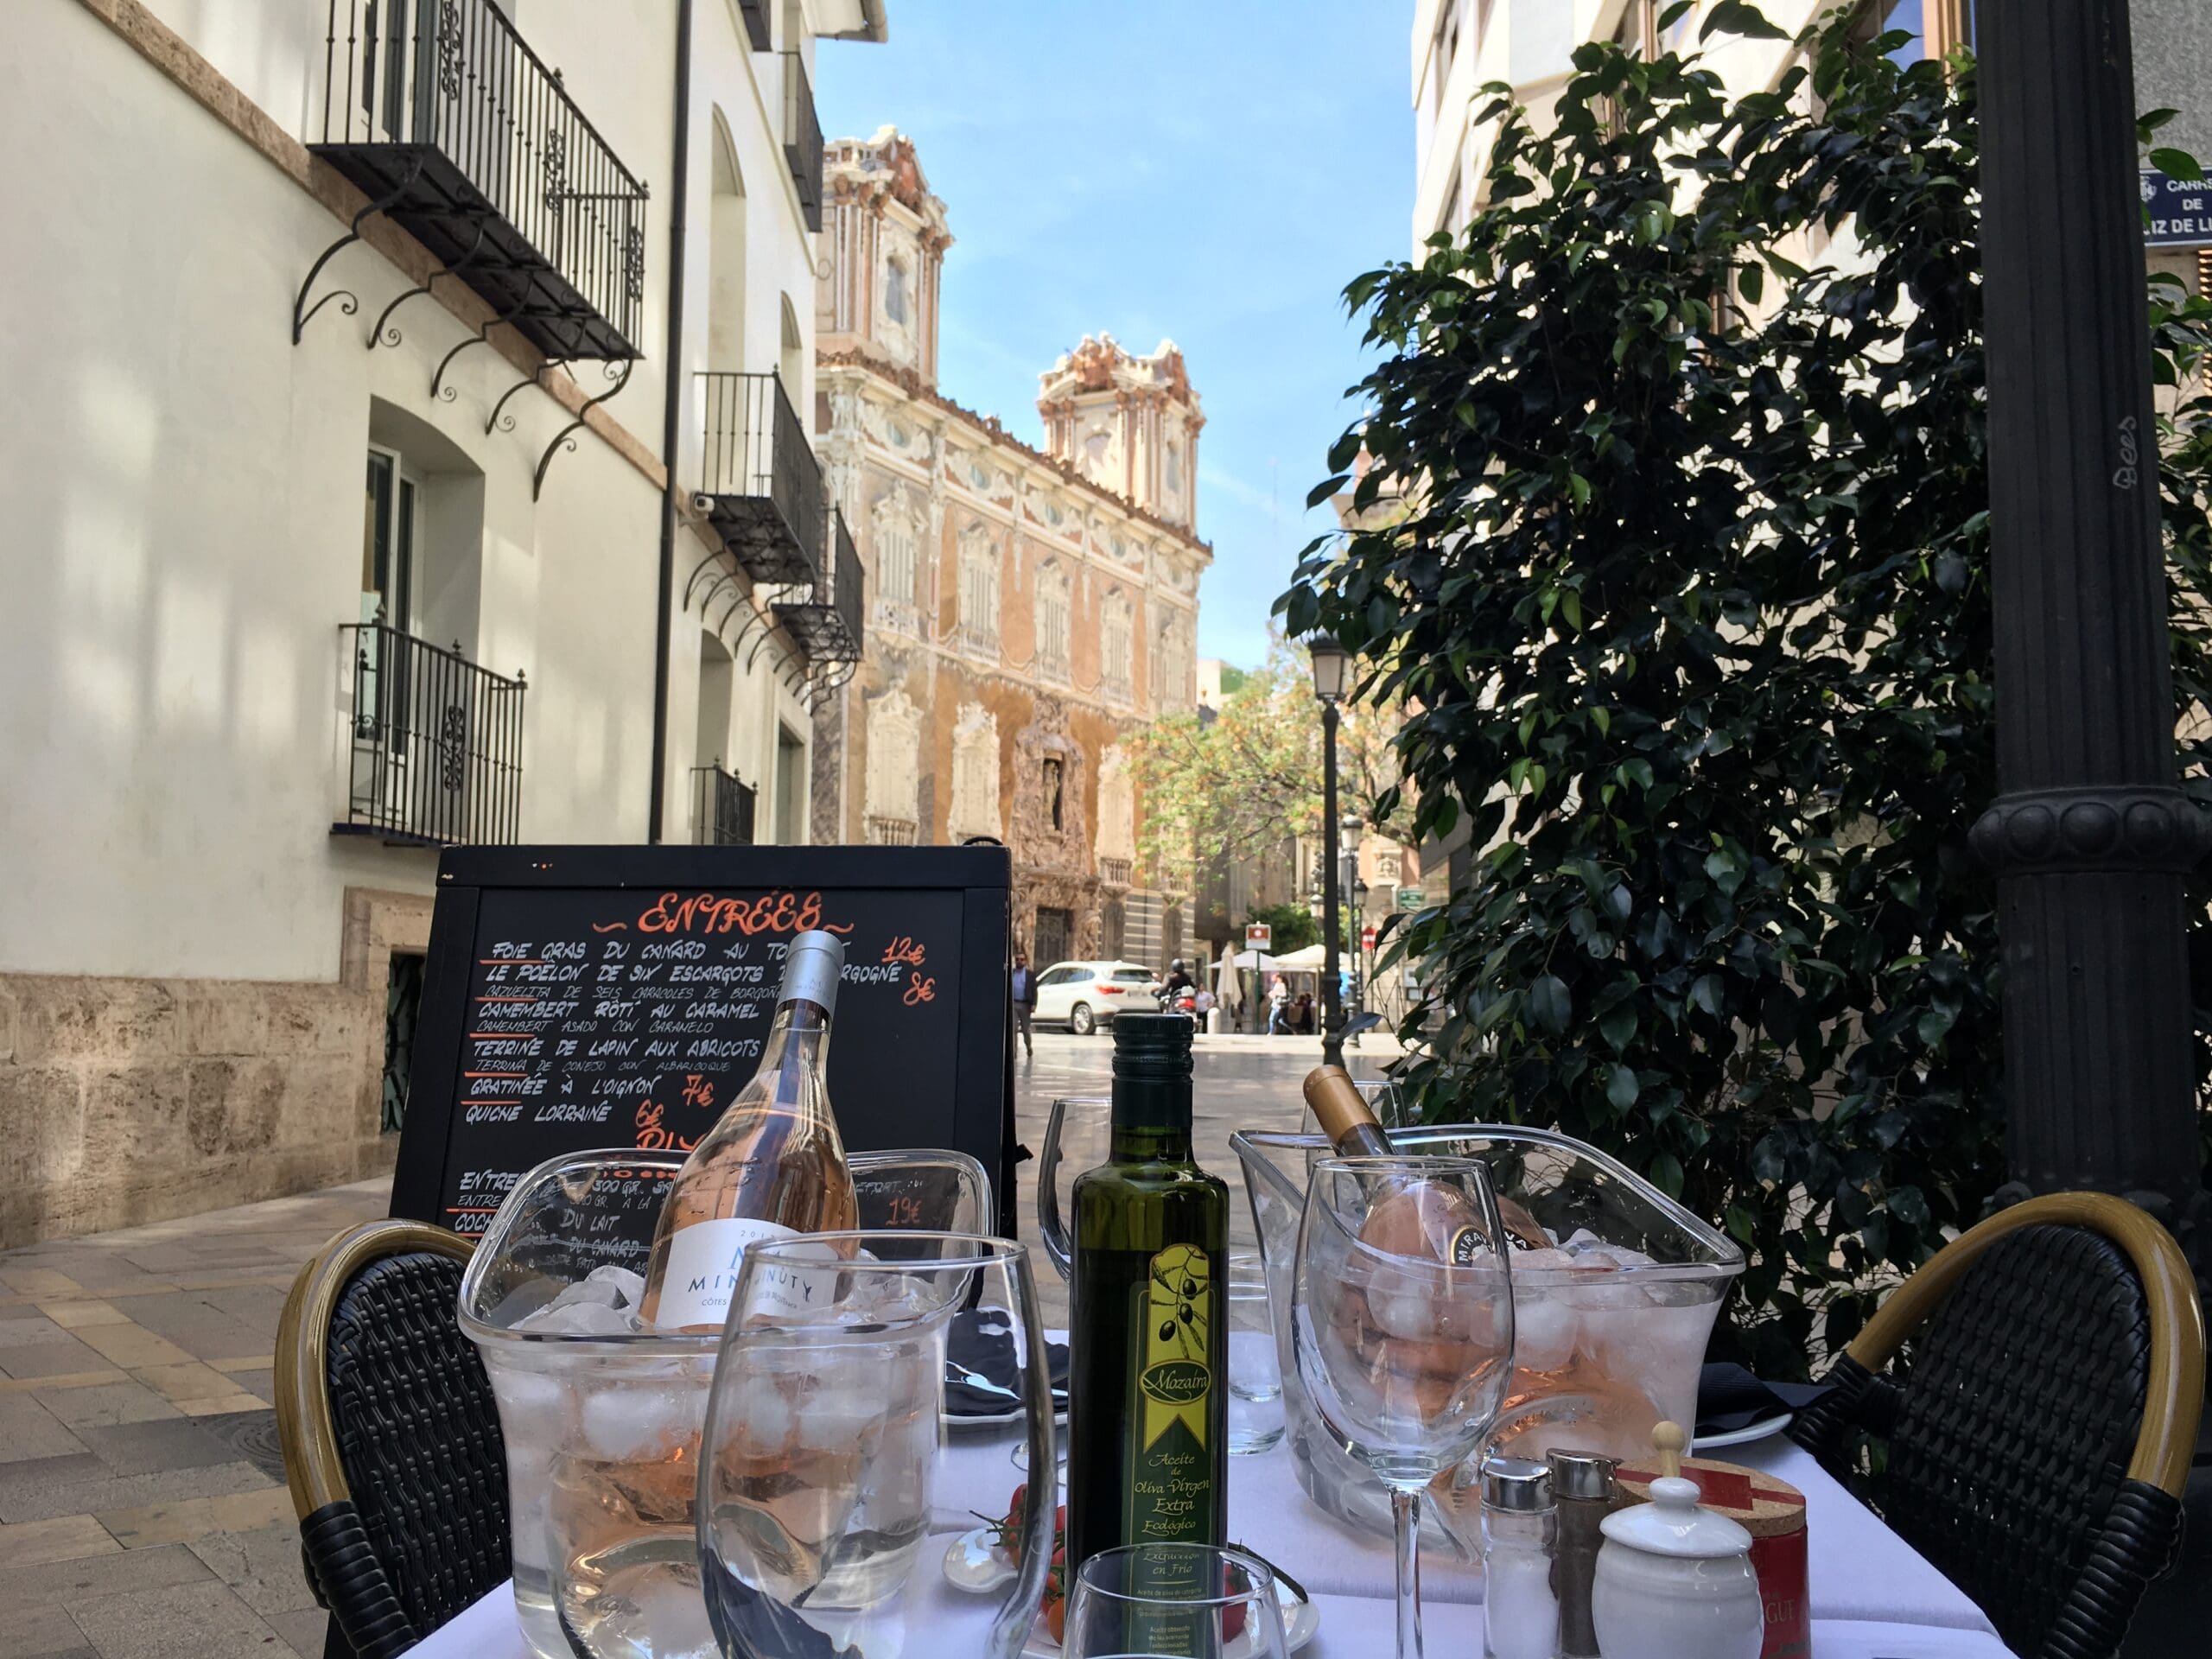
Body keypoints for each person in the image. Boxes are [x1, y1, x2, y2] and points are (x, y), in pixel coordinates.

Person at [1010, 950, 1038, 1058]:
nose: (1019, 961)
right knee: (1014, 1029)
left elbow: (1034, 990)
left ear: (1025, 961)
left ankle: (1028, 1046)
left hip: (1025, 1005)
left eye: (1022, 959)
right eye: (1017, 959)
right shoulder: (1011, 974)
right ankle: (1014, 1051)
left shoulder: (1030, 975)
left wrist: (1034, 1004)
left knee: (1026, 1030)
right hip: (1014, 1003)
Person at [1267, 972, 1291, 1036]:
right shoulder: (1276, 984)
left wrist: (1276, 993)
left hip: (1278, 1005)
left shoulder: (1282, 985)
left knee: (1272, 1019)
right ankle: (1273, 1031)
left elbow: (1284, 994)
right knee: (1277, 1020)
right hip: (1275, 1004)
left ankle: (1271, 1031)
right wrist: (1272, 994)